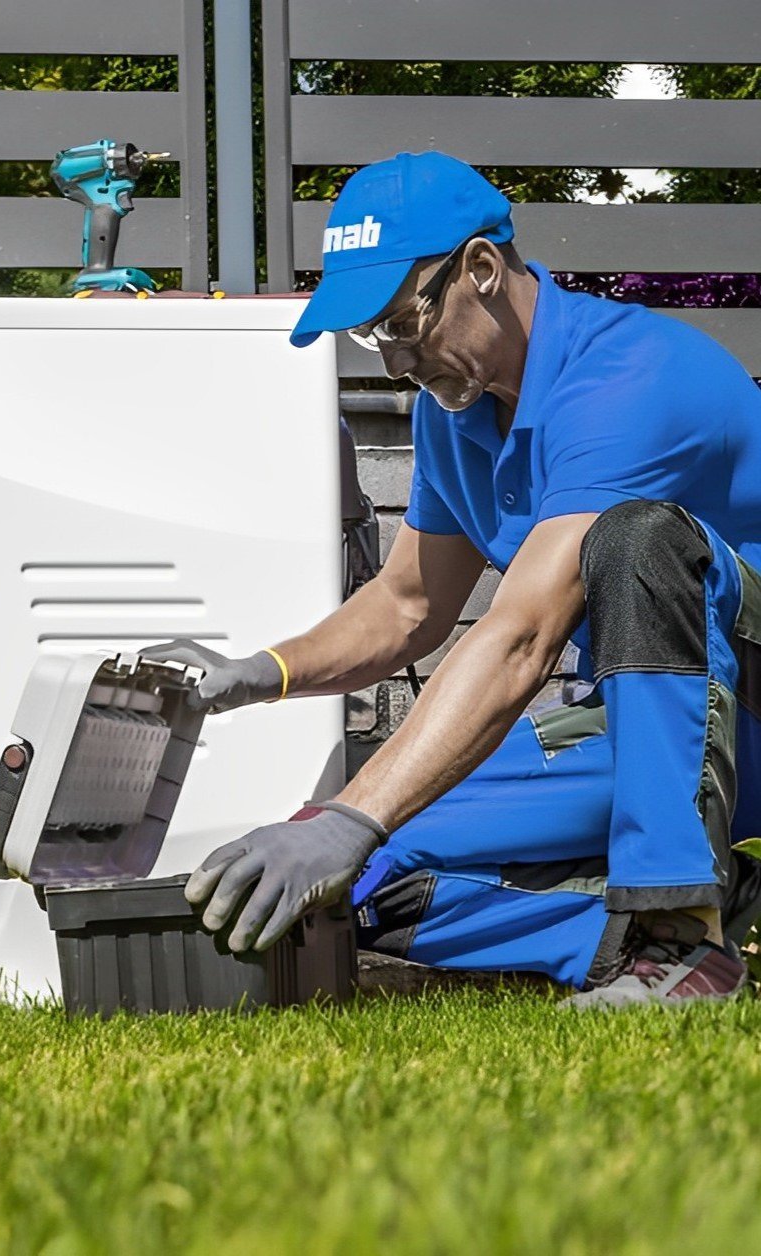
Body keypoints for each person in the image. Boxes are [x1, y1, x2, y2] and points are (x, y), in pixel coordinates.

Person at [143, 150, 761, 1008]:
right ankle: (707, 923)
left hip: (741, 700)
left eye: (403, 324)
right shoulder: (457, 411)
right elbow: (409, 605)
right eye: (373, 337)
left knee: (635, 541)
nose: (395, 363)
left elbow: (523, 634)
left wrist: (350, 815)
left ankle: (678, 934)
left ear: (481, 269)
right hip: (650, 731)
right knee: (360, 875)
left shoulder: (631, 378)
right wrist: (261, 674)